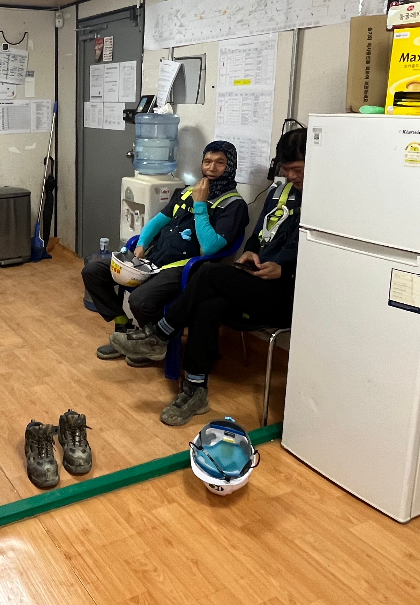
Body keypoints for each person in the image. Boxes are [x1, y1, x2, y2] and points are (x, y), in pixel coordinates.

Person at [109, 128, 306, 426]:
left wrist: (285, 268)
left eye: (297, 169)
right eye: (286, 169)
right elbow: (257, 235)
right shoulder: (279, 192)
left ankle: (160, 333)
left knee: (208, 272)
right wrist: (250, 253)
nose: (290, 175)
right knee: (207, 304)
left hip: (289, 291)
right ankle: (195, 389)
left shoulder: (324, 202)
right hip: (257, 281)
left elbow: (323, 256)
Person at [84, 142, 249, 362]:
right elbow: (158, 221)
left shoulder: (234, 205)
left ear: (230, 166)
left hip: (185, 268)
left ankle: (152, 343)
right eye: (207, 161)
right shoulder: (186, 191)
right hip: (155, 257)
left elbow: (210, 247)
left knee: (141, 301)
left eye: (220, 163)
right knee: (94, 271)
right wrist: (142, 244)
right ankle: (125, 327)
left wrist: (200, 204)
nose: (211, 168)